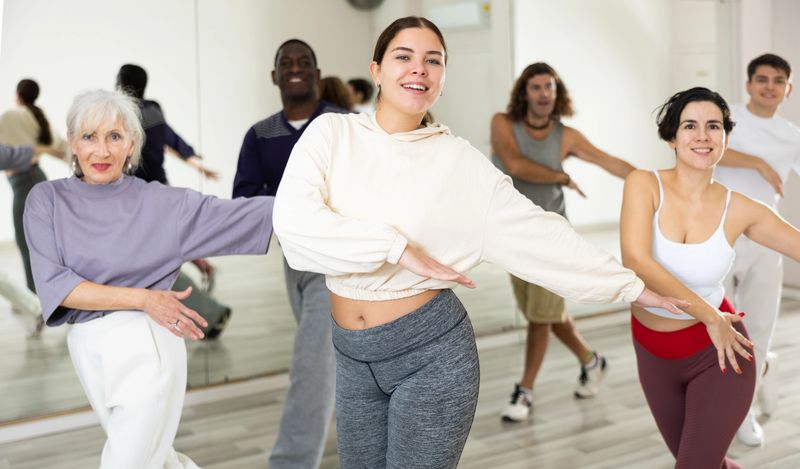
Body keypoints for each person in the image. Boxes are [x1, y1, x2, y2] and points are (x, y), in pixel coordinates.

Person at [273, 16, 686, 468]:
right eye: (404, 57)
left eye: (434, 61)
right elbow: (293, 226)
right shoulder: (332, 134)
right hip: (351, 356)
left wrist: (632, 288)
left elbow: (539, 234)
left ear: (443, 77)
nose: (419, 70)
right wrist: (396, 248)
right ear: (376, 69)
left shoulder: (458, 162)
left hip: (430, 357)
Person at [23, 89, 274, 469]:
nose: (102, 151)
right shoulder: (46, 200)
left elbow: (247, 215)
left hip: (148, 350)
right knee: (159, 461)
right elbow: (56, 285)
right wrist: (144, 297)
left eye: (115, 136)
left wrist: (328, 195)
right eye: (89, 137)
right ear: (72, 142)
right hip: (89, 351)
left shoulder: (163, 204)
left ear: (132, 145)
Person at [621, 86, 800, 468]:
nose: (702, 136)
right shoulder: (643, 184)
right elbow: (637, 261)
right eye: (690, 125)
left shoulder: (740, 208)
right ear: (672, 136)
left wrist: (715, 321)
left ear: (725, 138)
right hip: (654, 353)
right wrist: (710, 315)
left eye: (713, 126)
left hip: (722, 354)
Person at [491, 62, 637, 421]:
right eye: (537, 87)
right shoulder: (502, 124)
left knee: (540, 318)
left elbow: (608, 161)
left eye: (550, 87)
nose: (544, 94)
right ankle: (593, 361)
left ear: (557, 94)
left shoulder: (566, 135)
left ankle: (524, 390)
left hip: (552, 236)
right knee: (545, 313)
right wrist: (561, 176)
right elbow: (514, 164)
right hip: (511, 235)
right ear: (524, 92)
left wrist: (653, 182)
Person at [233, 39, 346, 468]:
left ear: (317, 74)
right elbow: (244, 200)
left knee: (311, 363)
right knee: (334, 360)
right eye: (287, 62)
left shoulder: (342, 125)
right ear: (274, 76)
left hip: (337, 266)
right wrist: (294, 203)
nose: (295, 68)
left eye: (305, 62)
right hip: (294, 262)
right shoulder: (260, 135)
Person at [713, 53, 800, 446]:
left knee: (760, 324)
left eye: (777, 80)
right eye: (761, 79)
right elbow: (702, 148)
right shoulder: (724, 115)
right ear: (747, 84)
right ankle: (725, 399)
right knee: (721, 325)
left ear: (788, 89)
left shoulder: (792, 134)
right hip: (718, 232)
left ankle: (743, 409)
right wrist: (759, 164)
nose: (769, 86)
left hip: (767, 237)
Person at [116, 64, 231, 339]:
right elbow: (171, 139)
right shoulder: (153, 109)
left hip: (136, 198)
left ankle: (210, 313)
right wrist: (195, 163)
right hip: (158, 191)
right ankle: (203, 272)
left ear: (121, 83)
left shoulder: (121, 114)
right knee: (163, 251)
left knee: (155, 260)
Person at [0, 79, 67, 296]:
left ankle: (36, 297)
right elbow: (59, 147)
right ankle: (48, 293)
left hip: (24, 183)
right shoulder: (39, 117)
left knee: (25, 241)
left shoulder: (10, 117)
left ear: (17, 94)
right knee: (43, 241)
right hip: (38, 179)